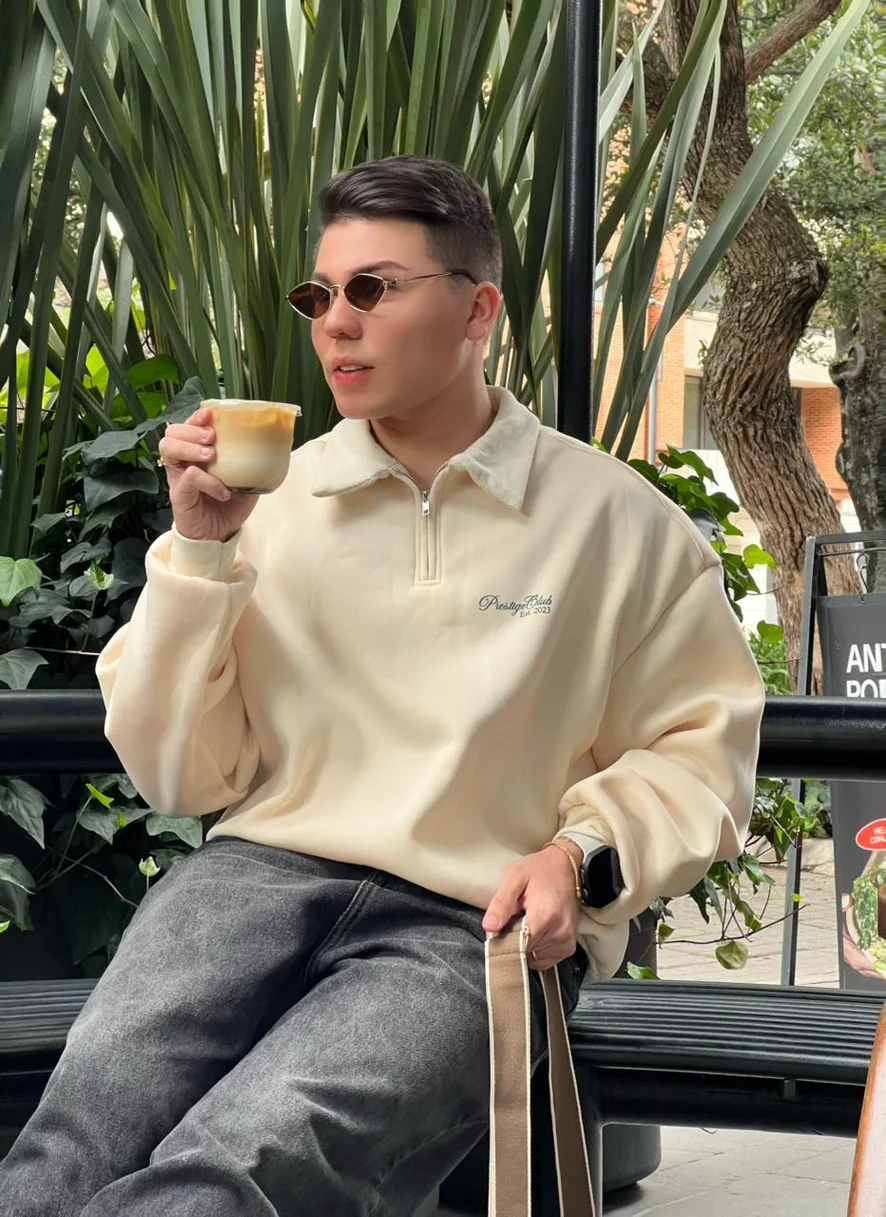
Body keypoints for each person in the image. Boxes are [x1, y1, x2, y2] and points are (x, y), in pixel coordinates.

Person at [0, 155, 764, 1216]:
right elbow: (177, 774)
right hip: (249, 882)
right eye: (319, 295)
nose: (336, 322)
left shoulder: (621, 525)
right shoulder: (269, 504)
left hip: (468, 918)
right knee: (65, 1153)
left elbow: (700, 751)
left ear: (478, 310)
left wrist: (577, 858)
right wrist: (201, 548)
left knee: (240, 1169)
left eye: (374, 288)